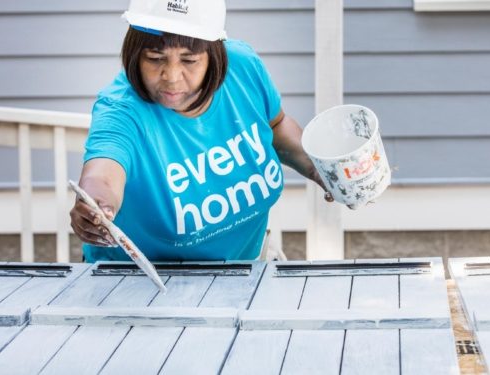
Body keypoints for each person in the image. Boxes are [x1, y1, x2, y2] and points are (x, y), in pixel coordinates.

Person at [69, 0, 332, 262]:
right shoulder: (120, 109)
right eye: (155, 58)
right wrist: (96, 206)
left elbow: (276, 125)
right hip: (135, 285)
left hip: (249, 263)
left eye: (189, 60)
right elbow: (103, 174)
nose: (171, 76)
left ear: (214, 55)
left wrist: (320, 168)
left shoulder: (243, 67)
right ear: (133, 54)